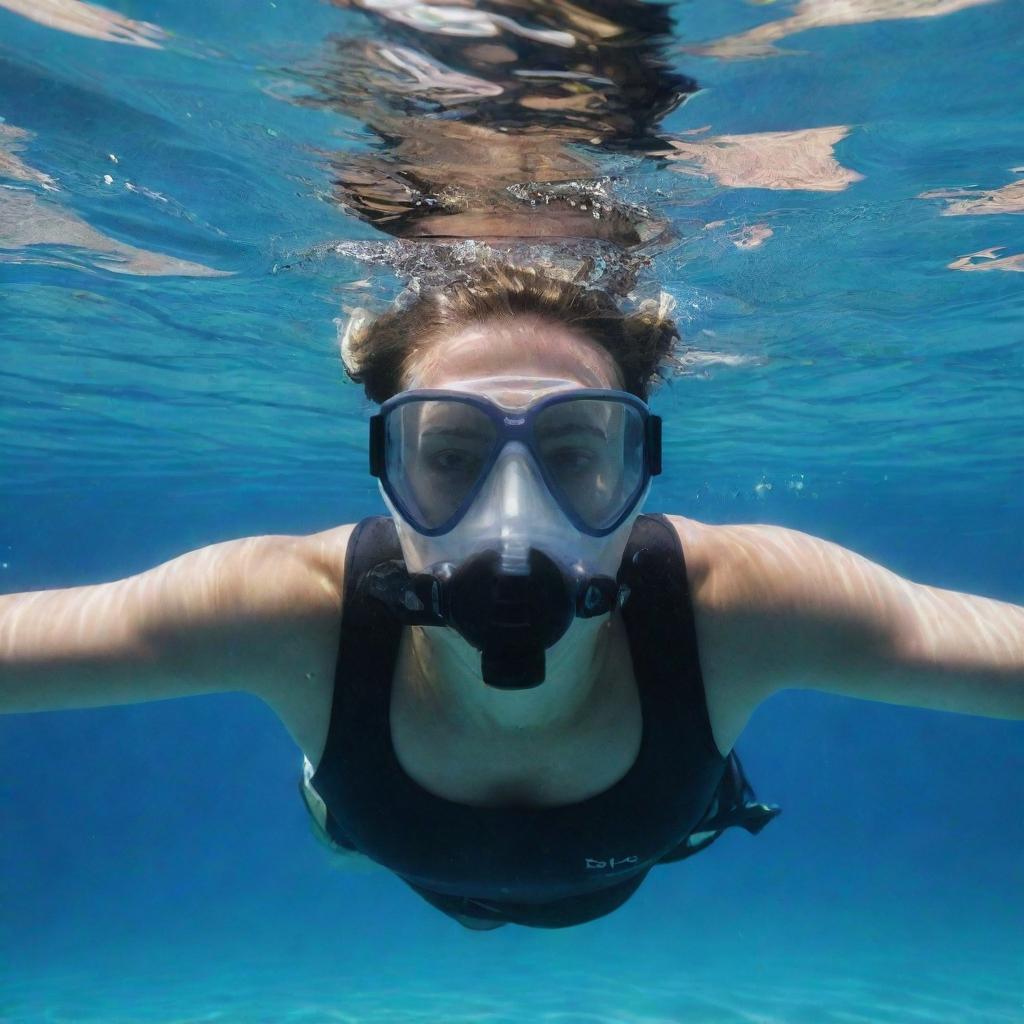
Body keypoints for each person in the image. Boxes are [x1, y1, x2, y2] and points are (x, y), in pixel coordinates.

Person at [2, 263, 1022, 931]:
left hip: (637, 848)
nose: (511, 516)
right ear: (385, 477)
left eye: (575, 454)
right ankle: (332, 786)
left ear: (639, 473)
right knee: (347, 822)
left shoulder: (734, 601)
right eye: (448, 455)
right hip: (400, 835)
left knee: (677, 817)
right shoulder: (292, 605)